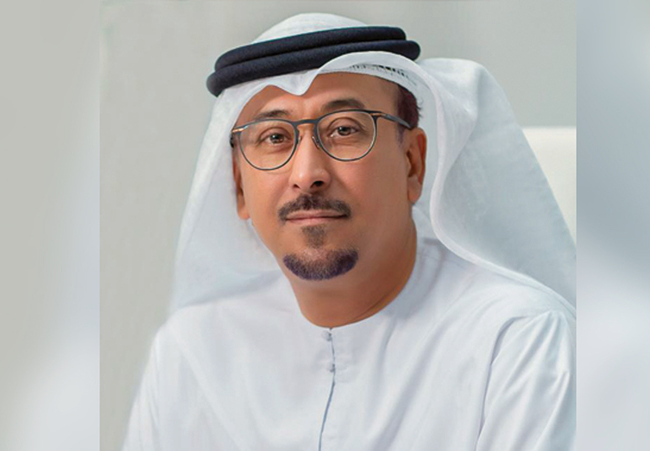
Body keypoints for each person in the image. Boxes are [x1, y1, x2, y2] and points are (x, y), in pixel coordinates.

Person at [123, 13, 576, 451]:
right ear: (239, 185)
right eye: (274, 137)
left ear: (412, 164)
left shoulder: (518, 341)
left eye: (344, 130)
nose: (307, 174)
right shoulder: (190, 354)